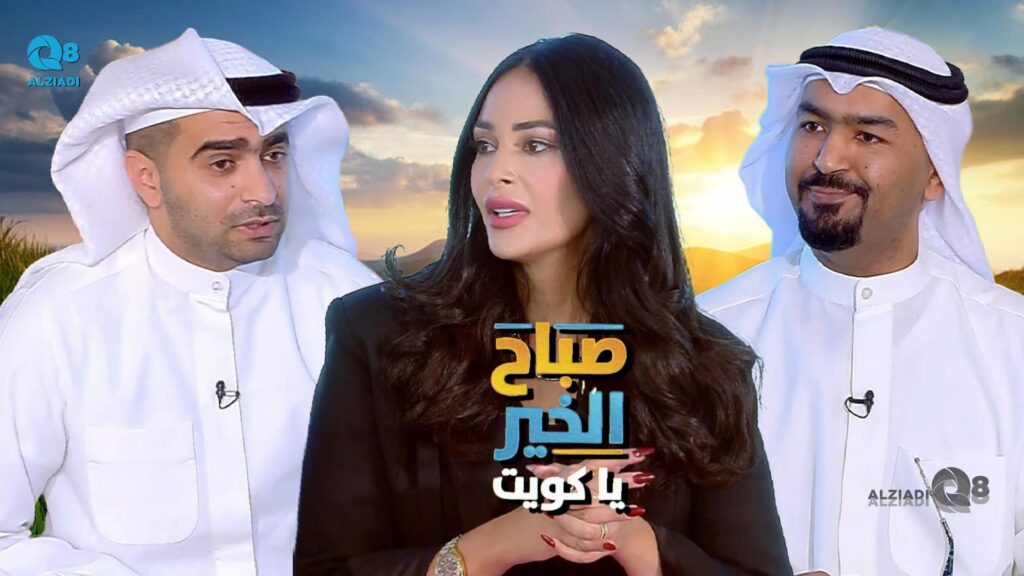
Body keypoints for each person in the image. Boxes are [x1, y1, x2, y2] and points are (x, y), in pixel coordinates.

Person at [294, 33, 792, 575]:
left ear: (613, 161)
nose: (495, 172)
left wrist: (643, 546)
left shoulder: (704, 364)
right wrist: (487, 549)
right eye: (485, 146)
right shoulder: (377, 334)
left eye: (535, 145)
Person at [0, 29, 378, 575]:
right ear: (146, 179)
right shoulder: (58, 318)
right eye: (223, 163)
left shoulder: (343, 297)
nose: (264, 192)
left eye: (274, 155)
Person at [697, 28, 1024, 575]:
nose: (827, 158)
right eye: (812, 126)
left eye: (868, 136)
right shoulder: (705, 339)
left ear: (936, 175)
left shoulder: (1012, 346)